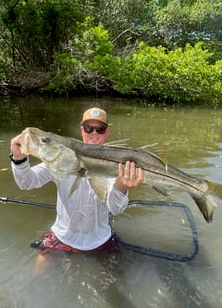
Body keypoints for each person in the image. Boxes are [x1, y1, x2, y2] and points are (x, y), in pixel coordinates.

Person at [10, 107, 144, 256]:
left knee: (118, 276)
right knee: (37, 271)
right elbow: (27, 182)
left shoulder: (117, 164)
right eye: (89, 128)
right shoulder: (61, 159)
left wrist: (122, 185)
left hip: (100, 239)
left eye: (100, 129)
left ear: (107, 132)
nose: (94, 133)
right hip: (61, 236)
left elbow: (116, 209)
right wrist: (19, 159)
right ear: (82, 130)